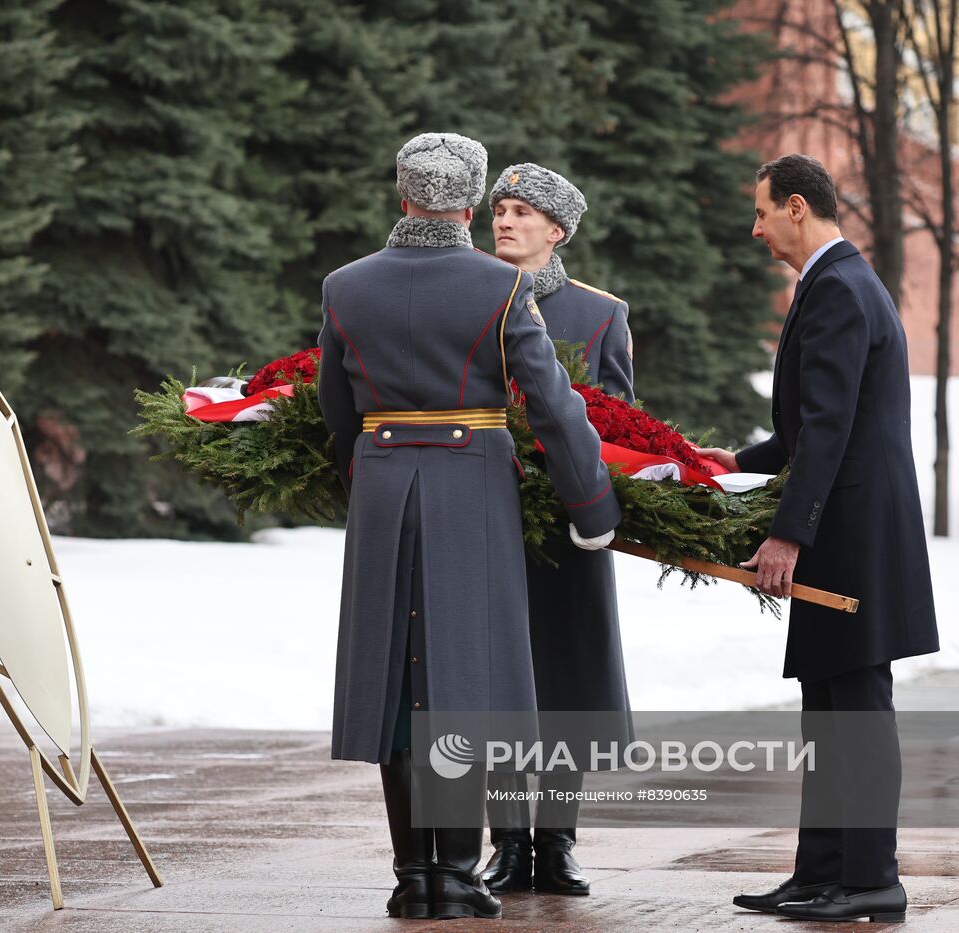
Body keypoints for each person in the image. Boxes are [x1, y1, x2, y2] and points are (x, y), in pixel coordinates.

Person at [318, 133, 622, 921]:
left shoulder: (345, 286)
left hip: (385, 483)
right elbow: (553, 403)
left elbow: (335, 404)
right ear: (469, 203)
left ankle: (411, 874)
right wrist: (592, 505)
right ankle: (454, 873)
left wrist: (368, 474)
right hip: (473, 485)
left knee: (395, 678)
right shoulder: (499, 287)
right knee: (460, 681)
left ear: (401, 194)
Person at [697, 154, 939, 924]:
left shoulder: (837, 287)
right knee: (829, 704)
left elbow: (830, 427)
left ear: (798, 207)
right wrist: (738, 462)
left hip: (852, 529)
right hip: (846, 519)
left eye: (763, 210)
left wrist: (786, 535)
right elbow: (813, 425)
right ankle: (824, 869)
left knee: (856, 703)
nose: (757, 227)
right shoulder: (838, 282)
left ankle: (870, 876)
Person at [478, 163, 635, 897]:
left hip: (570, 532)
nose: (504, 221)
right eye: (499, 209)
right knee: (498, 678)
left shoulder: (601, 313)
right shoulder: (468, 295)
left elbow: (620, 427)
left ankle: (558, 840)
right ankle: (507, 841)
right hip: (488, 522)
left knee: (565, 680)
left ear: (557, 229)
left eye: (520, 212)